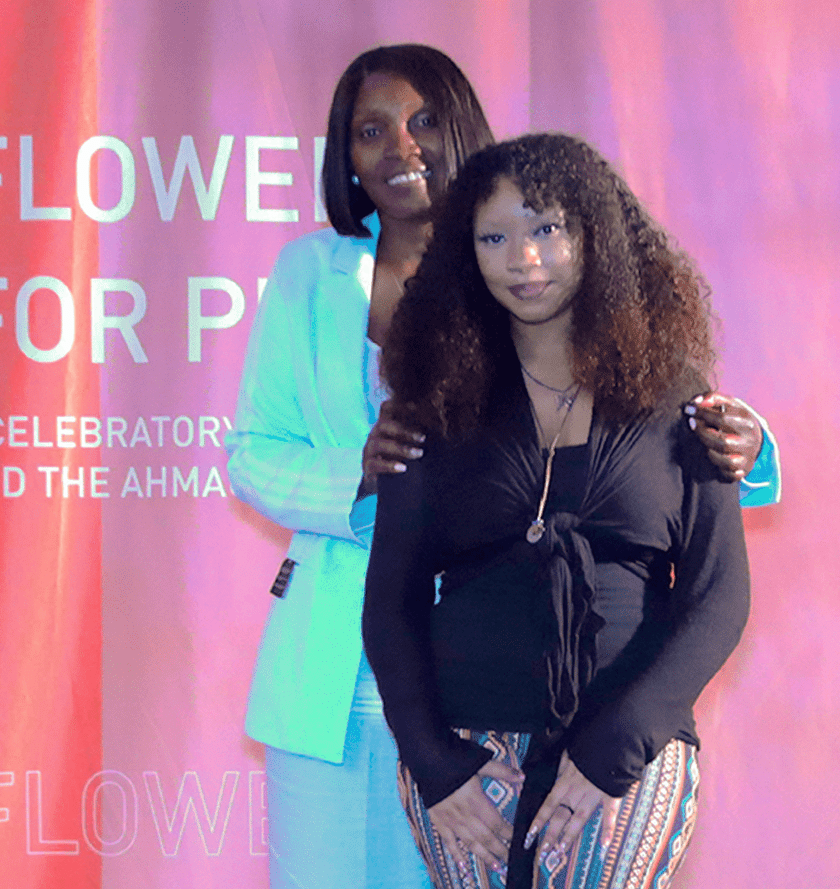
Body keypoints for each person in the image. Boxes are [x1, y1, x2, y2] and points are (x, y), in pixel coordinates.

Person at [227, 45, 777, 889]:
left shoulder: (585, 314)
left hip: (555, 694)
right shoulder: (311, 277)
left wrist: (747, 441)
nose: (400, 146)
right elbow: (255, 452)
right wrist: (362, 472)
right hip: (359, 664)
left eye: (422, 120)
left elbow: (667, 488)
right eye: (371, 130)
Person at [363, 133, 750, 889]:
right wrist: (434, 762)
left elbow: (719, 595)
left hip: (627, 753)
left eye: (547, 229)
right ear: (467, 254)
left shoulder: (676, 397)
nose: (524, 258)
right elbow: (390, 603)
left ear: (594, 236)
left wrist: (618, 747)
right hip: (465, 759)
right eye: (495, 238)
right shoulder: (431, 408)